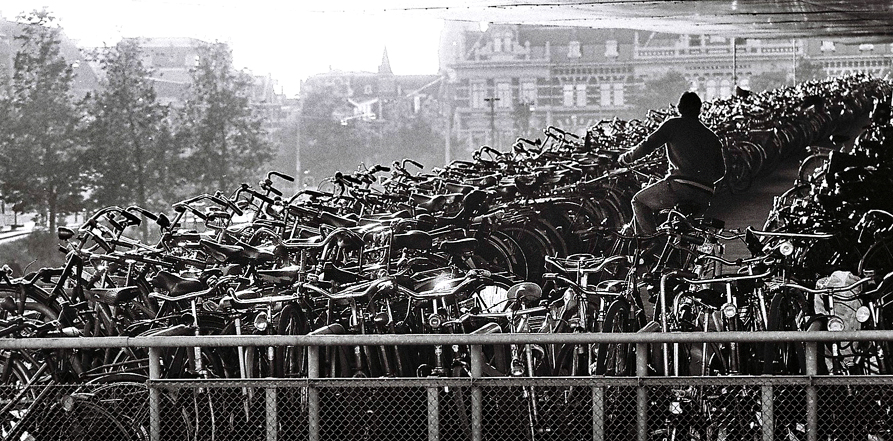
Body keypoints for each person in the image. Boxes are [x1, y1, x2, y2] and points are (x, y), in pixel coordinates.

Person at [618, 91, 726, 234]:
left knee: (639, 201)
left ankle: (650, 242)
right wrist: (701, 178)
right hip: (705, 193)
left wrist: (626, 158)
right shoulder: (711, 136)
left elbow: (647, 145)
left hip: (680, 187)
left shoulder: (673, 125)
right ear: (699, 110)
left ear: (679, 108)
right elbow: (721, 171)